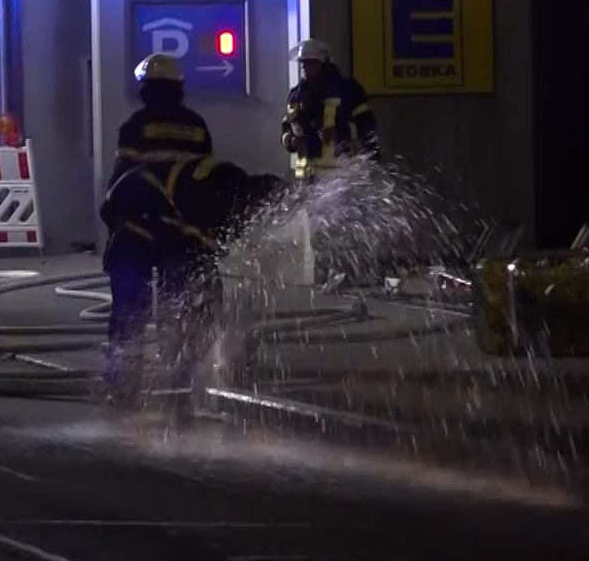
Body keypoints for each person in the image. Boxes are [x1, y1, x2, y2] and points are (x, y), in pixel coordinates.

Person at [99, 153, 283, 398]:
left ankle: (182, 369)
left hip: (170, 210)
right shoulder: (217, 201)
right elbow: (196, 263)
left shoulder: (235, 190)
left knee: (194, 292)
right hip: (133, 204)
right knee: (134, 298)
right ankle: (122, 377)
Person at [109, 53, 214, 190]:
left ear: (146, 90)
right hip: (192, 206)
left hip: (150, 205)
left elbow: (121, 176)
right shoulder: (197, 124)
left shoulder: (136, 124)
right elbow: (208, 170)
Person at [281, 38, 379, 179]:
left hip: (341, 177)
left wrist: (341, 133)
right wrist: (291, 141)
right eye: (303, 63)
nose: (305, 68)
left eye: (311, 63)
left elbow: (367, 125)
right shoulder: (296, 95)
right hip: (306, 179)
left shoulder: (348, 90)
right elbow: (286, 129)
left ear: (324, 64)